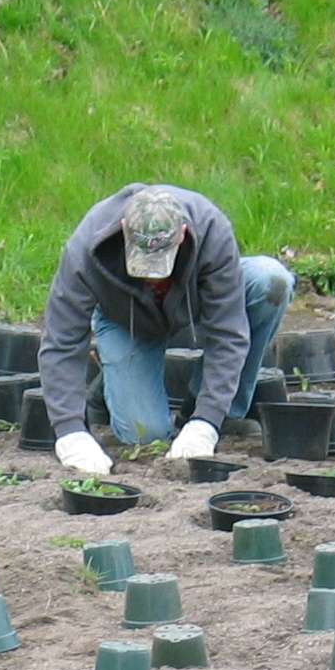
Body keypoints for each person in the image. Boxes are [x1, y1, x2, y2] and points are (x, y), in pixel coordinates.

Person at [41, 184, 293, 473]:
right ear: (124, 230)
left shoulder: (211, 229)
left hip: (192, 304)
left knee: (271, 280)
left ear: (182, 234)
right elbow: (61, 340)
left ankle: (221, 412)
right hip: (125, 319)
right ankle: (108, 385)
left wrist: (206, 421)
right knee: (146, 434)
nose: (151, 276)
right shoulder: (87, 245)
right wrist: (70, 432)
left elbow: (228, 334)